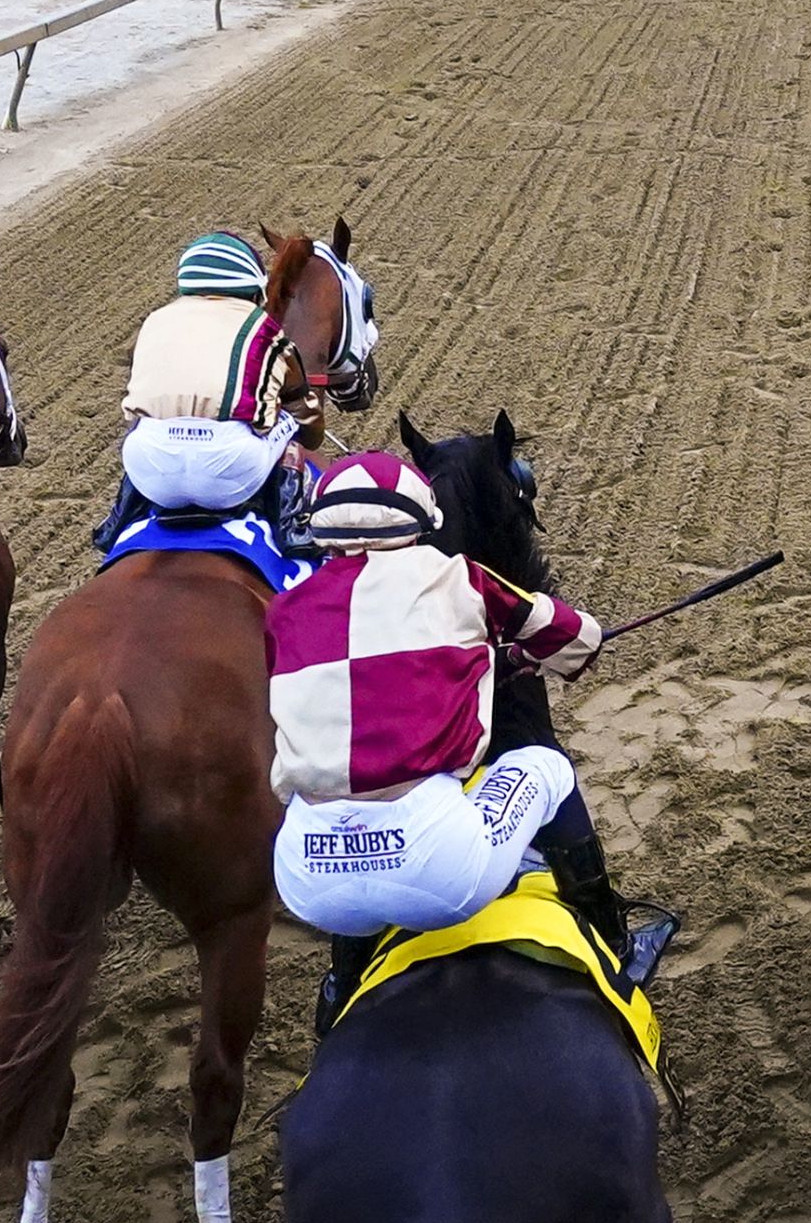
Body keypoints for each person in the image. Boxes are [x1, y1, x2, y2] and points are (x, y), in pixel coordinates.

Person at [267, 445, 605, 965]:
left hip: (307, 878)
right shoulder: (460, 578)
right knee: (548, 766)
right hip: (437, 871)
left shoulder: (284, 608)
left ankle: (341, 981)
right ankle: (612, 931)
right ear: (422, 519)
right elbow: (576, 639)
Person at [115, 229, 301, 529]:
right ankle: (292, 528)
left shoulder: (155, 320)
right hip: (227, 471)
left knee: (140, 427)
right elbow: (263, 421)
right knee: (289, 424)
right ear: (255, 290)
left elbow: (134, 406)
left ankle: (117, 519)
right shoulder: (262, 328)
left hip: (148, 468)